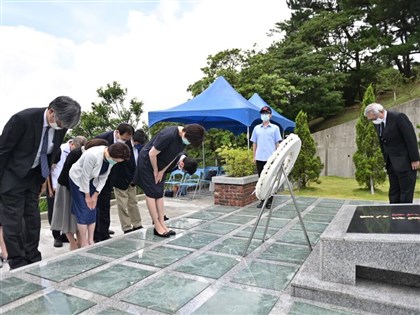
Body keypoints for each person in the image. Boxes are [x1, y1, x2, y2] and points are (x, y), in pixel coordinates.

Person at [0, 96, 81, 269]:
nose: (61, 128)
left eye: (65, 126)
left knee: (33, 220)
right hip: (12, 177)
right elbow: (3, 151)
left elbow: (50, 153)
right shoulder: (22, 120)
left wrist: (44, 178)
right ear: (51, 111)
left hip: (34, 177)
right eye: (60, 123)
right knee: (13, 223)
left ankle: (33, 256)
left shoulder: (60, 126)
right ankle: (17, 261)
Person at [133, 124, 205, 237]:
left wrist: (162, 171)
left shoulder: (183, 139)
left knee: (159, 193)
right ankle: (156, 225)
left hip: (160, 165)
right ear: (186, 133)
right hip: (148, 162)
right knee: (151, 193)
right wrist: (156, 170)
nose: (189, 143)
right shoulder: (169, 135)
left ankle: (162, 223)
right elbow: (152, 153)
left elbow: (173, 158)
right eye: (190, 141)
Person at [69, 142, 130, 247]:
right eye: (116, 160)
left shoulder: (110, 160)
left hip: (92, 181)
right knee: (83, 209)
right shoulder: (92, 155)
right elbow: (84, 177)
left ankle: (91, 239)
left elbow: (104, 177)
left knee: (93, 208)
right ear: (112, 155)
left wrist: (96, 195)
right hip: (78, 180)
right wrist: (88, 196)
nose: (116, 162)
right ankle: (84, 242)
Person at [364, 103, 419, 203]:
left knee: (405, 192)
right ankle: (393, 212)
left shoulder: (398, 118)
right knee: (394, 191)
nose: (373, 121)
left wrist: (415, 159)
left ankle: (404, 215)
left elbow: (410, 138)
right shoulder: (378, 124)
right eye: (371, 120)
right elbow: (383, 143)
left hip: (405, 162)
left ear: (380, 112)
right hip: (391, 163)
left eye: (373, 118)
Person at [94, 123, 134, 242]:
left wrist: (131, 177)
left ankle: (104, 232)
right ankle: (96, 233)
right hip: (96, 175)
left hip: (111, 177)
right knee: (95, 206)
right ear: (117, 132)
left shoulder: (127, 142)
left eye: (127, 140)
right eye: (123, 139)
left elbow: (129, 159)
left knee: (105, 205)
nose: (125, 141)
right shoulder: (101, 139)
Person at [47, 136, 87, 248]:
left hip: (71, 184)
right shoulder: (59, 150)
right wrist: (51, 188)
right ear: (72, 144)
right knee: (57, 212)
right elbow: (49, 170)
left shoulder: (78, 152)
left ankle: (67, 237)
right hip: (57, 184)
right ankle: (57, 236)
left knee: (70, 214)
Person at [111, 129, 147, 234]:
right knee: (122, 204)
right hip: (121, 179)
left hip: (133, 179)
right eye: (137, 142)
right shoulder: (124, 145)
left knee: (133, 202)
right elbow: (122, 165)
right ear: (133, 139)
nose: (138, 145)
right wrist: (130, 178)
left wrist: (135, 179)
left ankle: (137, 224)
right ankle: (126, 227)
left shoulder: (141, 149)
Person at [251, 105, 282, 209]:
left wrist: (278, 156)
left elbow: (277, 143)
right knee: (261, 180)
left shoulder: (275, 128)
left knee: (271, 180)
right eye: (262, 114)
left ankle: (270, 201)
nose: (264, 115)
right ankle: (262, 200)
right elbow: (254, 143)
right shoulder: (256, 128)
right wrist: (254, 156)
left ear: (270, 115)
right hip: (260, 158)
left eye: (266, 114)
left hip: (271, 158)